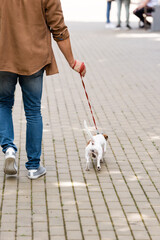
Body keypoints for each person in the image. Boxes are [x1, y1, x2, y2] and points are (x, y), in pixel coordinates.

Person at [0, 0, 86, 180]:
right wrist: (72, 61)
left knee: (3, 104)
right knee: (33, 111)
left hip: (3, 56)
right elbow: (59, 27)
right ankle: (33, 167)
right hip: (34, 56)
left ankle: (8, 148)